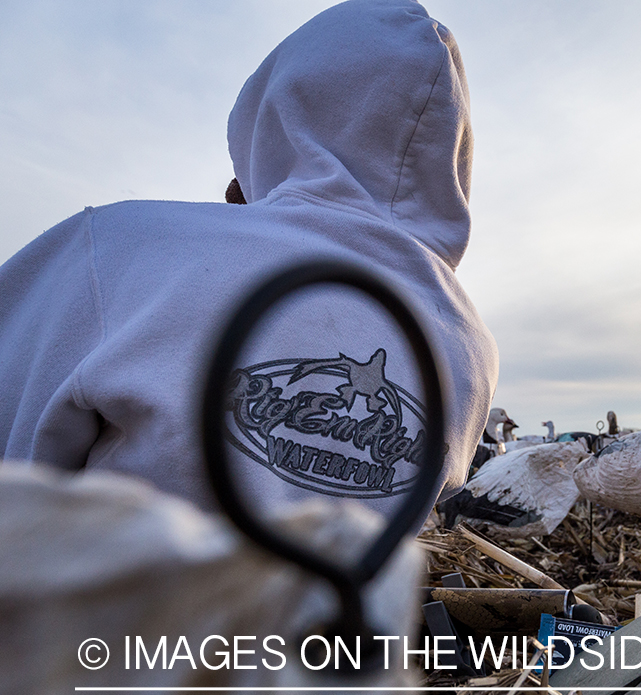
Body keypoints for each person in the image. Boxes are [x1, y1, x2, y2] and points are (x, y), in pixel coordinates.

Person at [0, 0, 498, 520]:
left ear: (277, 107)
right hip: (338, 604)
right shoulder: (471, 348)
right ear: (453, 153)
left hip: (106, 599)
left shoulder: (120, 246)